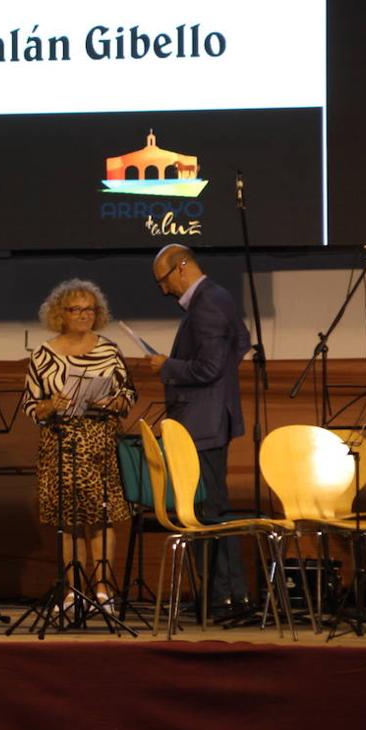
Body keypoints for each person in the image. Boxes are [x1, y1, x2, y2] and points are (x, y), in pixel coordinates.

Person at [148, 243, 252, 615]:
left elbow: (208, 368)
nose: (163, 290)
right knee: (211, 510)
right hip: (209, 418)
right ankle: (220, 596)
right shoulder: (217, 297)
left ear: (182, 268)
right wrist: (221, 387)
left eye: (163, 280)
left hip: (202, 425)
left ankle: (223, 598)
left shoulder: (207, 302)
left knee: (210, 512)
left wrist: (167, 366)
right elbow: (241, 341)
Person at [20, 279, 135, 606]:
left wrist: (110, 402)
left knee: (101, 518)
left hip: (99, 444)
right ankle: (74, 591)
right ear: (61, 314)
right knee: (68, 522)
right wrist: (51, 405)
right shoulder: (44, 355)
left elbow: (127, 395)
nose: (84, 315)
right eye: (76, 310)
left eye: (89, 310)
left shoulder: (109, 350)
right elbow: (30, 405)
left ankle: (103, 590)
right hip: (62, 445)